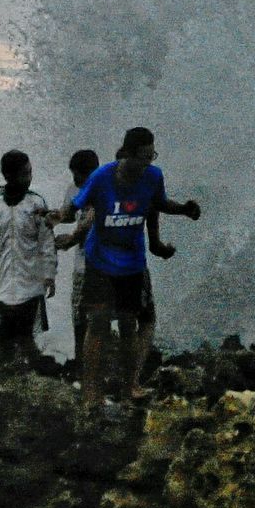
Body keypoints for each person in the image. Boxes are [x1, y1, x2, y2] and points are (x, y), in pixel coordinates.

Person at [45, 126, 200, 407]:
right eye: (142, 157)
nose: (147, 163)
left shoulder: (153, 175)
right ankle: (92, 394)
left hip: (132, 263)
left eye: (151, 156)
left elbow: (159, 203)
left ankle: (131, 388)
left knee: (129, 325)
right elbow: (76, 207)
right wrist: (58, 217)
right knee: (98, 324)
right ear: (126, 154)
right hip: (101, 261)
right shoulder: (102, 177)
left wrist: (184, 210)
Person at [0, 150, 57, 363]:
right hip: (1, 285)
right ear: (8, 176)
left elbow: (47, 242)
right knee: (3, 339)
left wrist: (49, 274)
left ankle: (33, 377)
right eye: (24, 174)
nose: (29, 178)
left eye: (30, 172)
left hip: (31, 283)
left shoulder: (36, 204)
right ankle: (5, 383)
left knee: (27, 338)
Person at [55, 148, 100, 371]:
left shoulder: (104, 189)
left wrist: (70, 240)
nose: (75, 181)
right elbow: (67, 214)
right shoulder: (74, 189)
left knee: (99, 316)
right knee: (79, 314)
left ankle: (94, 364)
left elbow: (90, 222)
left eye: (78, 176)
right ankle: (80, 362)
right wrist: (47, 217)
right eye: (73, 175)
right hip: (81, 265)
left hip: (103, 264)